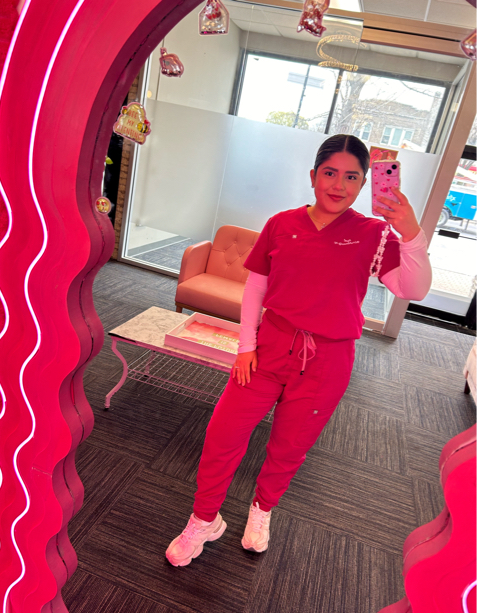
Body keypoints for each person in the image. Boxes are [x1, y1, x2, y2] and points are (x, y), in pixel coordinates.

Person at [166, 134, 432, 567]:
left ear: (365, 183)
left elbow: (412, 289)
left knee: (290, 445)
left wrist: (412, 233)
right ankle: (204, 519)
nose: (338, 185)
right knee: (222, 435)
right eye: (330, 173)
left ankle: (262, 509)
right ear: (313, 176)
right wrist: (245, 347)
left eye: (351, 177)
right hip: (268, 348)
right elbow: (256, 289)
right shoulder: (281, 224)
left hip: (328, 360)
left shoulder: (375, 235)